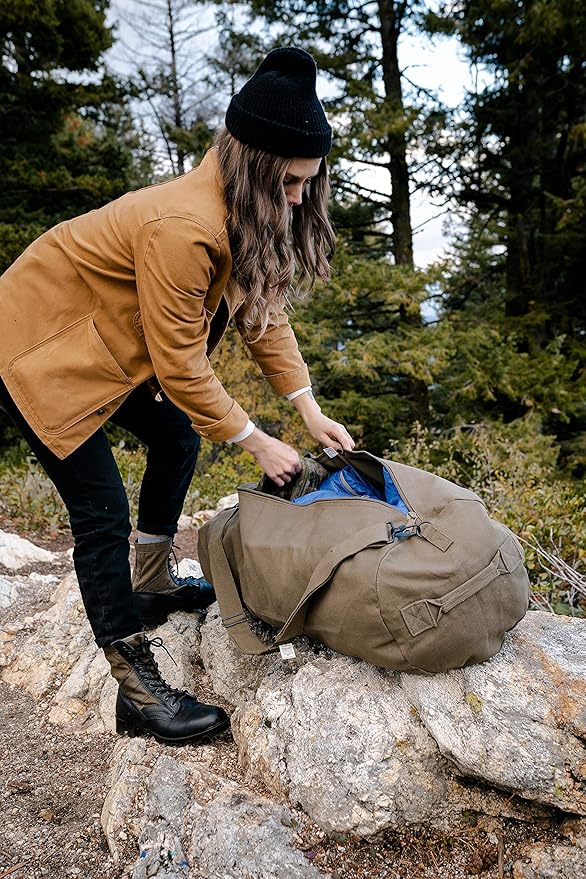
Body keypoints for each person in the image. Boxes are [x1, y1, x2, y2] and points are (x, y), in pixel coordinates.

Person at [0, 47, 354, 745]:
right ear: (256, 164)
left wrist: (307, 408)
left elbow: (263, 315)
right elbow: (181, 366)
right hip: (33, 346)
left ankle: (153, 583)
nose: (298, 198)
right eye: (290, 182)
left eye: (308, 183)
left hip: (98, 344)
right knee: (100, 510)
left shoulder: (238, 208)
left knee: (175, 435)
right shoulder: (185, 227)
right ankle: (137, 690)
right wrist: (256, 440)